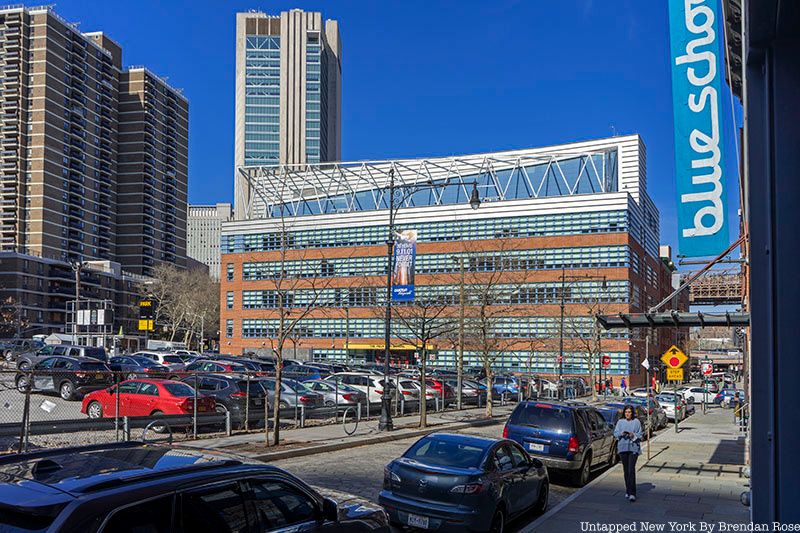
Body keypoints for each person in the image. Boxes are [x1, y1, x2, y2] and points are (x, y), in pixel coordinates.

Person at [614, 405, 643, 502]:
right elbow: (615, 433)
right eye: (626, 412)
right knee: (626, 471)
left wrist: (633, 435)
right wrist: (621, 434)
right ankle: (628, 490)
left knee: (631, 470)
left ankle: (632, 493)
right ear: (624, 413)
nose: (628, 414)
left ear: (632, 413)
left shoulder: (636, 422)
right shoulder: (620, 422)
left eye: (629, 412)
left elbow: (640, 435)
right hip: (623, 448)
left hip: (633, 448)